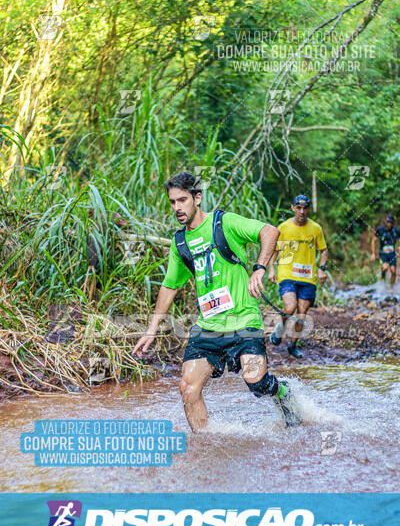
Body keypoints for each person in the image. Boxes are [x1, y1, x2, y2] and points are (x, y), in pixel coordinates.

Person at [133, 172, 301, 431]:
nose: (177, 207)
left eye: (182, 200)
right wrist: (151, 331)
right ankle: (206, 445)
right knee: (188, 387)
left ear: (197, 198)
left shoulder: (224, 223)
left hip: (244, 320)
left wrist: (259, 268)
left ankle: (283, 393)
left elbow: (270, 231)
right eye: (172, 202)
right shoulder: (180, 243)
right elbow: (169, 286)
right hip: (208, 325)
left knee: (256, 382)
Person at [268, 195, 328, 359]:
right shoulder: (284, 227)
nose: (302, 211)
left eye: (305, 208)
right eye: (298, 208)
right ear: (293, 208)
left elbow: (323, 250)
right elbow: (274, 249)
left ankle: (292, 345)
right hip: (287, 274)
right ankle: (280, 329)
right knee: (290, 307)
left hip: (308, 277)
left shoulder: (315, 228)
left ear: (308, 209)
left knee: (302, 313)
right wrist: (271, 269)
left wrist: (322, 268)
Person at [371, 215, 400, 287]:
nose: (389, 224)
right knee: (385, 268)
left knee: (393, 271)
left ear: (392, 223)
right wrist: (373, 254)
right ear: (385, 222)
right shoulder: (380, 230)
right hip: (383, 253)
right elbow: (373, 241)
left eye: (391, 222)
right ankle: (382, 283)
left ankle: (391, 287)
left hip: (392, 253)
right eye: (388, 222)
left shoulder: (395, 231)